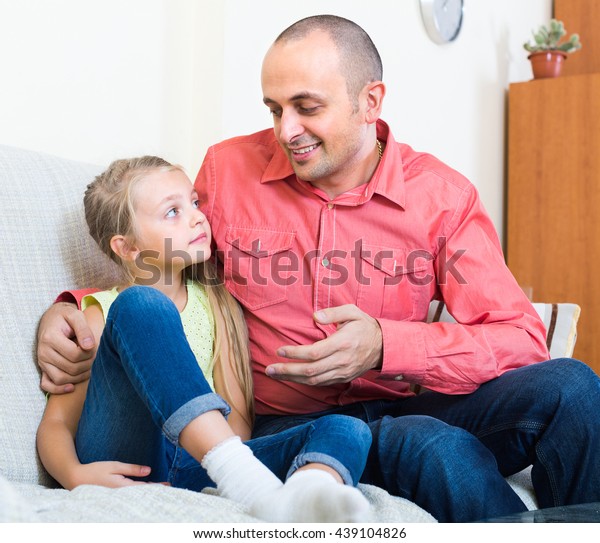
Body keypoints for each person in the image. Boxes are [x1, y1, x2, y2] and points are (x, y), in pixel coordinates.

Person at [37, 16, 600, 522]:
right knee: (435, 448)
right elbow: (163, 262)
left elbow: (521, 337)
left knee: (575, 386)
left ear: (369, 102)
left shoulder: (442, 198)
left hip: (410, 394)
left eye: (307, 107)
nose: (286, 131)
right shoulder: (228, 170)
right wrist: (68, 310)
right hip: (293, 422)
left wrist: (387, 344)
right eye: (274, 109)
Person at [35, 155, 374, 523]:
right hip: (126, 458)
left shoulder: (216, 304)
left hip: (200, 465)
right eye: (172, 212)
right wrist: (75, 475)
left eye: (194, 203)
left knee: (347, 427)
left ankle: (305, 498)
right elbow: (56, 424)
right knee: (142, 304)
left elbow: (239, 422)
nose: (197, 216)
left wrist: (216, 456)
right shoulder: (101, 314)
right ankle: (249, 484)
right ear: (128, 247)